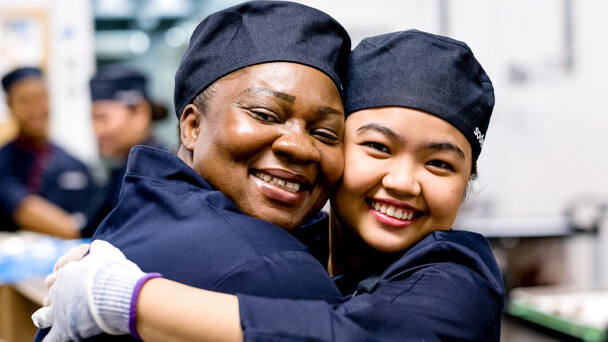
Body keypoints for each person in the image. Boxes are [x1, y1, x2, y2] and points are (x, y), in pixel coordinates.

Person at [35, 30, 504, 341]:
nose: (403, 182)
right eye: (378, 148)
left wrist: (124, 297)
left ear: (468, 182)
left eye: (440, 165)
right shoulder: (297, 238)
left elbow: (348, 334)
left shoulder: (458, 281)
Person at [33, 1, 351, 341]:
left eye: (325, 133)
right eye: (264, 114)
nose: (300, 146)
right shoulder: (277, 272)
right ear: (192, 126)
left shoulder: (148, 208)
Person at [0, 67, 97, 238]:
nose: (34, 108)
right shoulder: (4, 161)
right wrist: (79, 232)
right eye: (24, 100)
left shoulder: (75, 164)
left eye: (40, 97)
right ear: (10, 105)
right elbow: (22, 208)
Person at [83, 67, 168, 235]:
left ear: (139, 112)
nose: (96, 130)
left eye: (102, 117)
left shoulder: (157, 174)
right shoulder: (123, 170)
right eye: (92, 119)